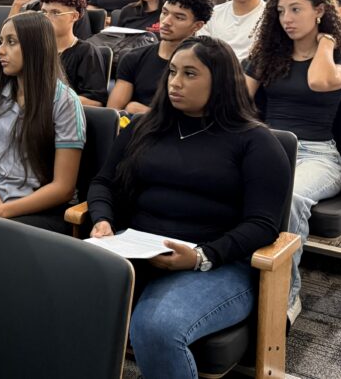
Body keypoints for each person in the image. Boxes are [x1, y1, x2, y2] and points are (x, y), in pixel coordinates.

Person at [88, 36, 290, 379]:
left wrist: (200, 256)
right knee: (55, 294)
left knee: (157, 327)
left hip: (216, 264)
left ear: (221, 81)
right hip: (135, 250)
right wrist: (103, 221)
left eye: (190, 74)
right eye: (172, 72)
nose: (175, 83)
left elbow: (263, 224)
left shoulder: (255, 142)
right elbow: (103, 183)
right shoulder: (143, 127)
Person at [245, 0, 341, 322]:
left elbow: (320, 82)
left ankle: (286, 295)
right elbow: (237, 99)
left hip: (318, 155)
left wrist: (326, 43)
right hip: (269, 149)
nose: (286, 18)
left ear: (320, 11)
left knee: (291, 198)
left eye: (296, 9)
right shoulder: (268, 55)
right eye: (280, 11)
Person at [0, 11, 84, 232]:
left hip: (41, 211)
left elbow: (63, 187)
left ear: (35, 47)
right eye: (1, 42)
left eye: (11, 42)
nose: (0, 50)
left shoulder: (65, 102)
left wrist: (1, 212)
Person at [109, 0, 214, 114]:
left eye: (179, 17)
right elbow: (113, 113)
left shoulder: (206, 64)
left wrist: (146, 112)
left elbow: (202, 117)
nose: (166, 21)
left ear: (197, 26)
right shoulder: (134, 58)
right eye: (164, 13)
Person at [41, 0, 108, 106]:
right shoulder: (34, 47)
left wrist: (52, 101)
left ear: (74, 16)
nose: (47, 18)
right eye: (44, 12)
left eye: (55, 13)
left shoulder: (86, 52)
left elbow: (96, 102)